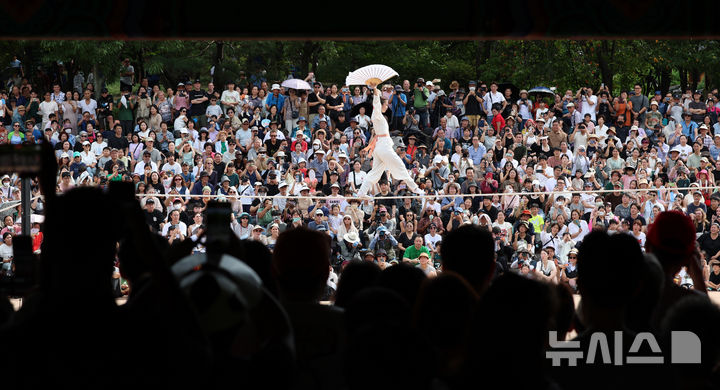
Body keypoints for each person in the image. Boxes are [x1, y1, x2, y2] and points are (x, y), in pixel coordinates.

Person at [356, 87, 424, 197]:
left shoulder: (378, 116)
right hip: (383, 146)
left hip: (380, 147)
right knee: (400, 166)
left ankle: (361, 192)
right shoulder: (377, 115)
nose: (387, 106)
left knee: (375, 173)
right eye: (386, 104)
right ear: (381, 104)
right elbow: (376, 105)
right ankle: (415, 188)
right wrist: (376, 93)